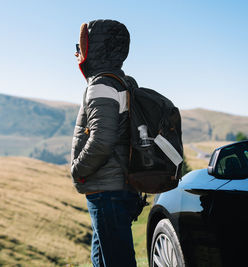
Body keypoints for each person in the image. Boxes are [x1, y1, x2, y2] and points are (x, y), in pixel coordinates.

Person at [70, 19, 143, 267]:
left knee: (115, 261)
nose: (76, 52)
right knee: (103, 259)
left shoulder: (101, 85)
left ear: (94, 49)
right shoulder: (123, 82)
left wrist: (78, 170)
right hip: (119, 186)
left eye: (80, 46)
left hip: (107, 191)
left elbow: (102, 139)